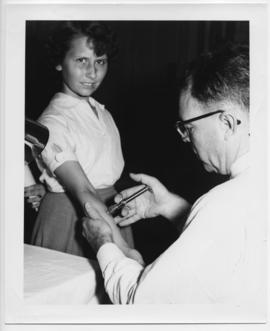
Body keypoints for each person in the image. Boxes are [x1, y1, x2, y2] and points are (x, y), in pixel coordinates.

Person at [81, 44, 265, 305]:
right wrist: (169, 205)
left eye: (188, 128)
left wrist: (104, 244)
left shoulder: (224, 203)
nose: (186, 139)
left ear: (226, 123)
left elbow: (141, 302)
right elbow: (228, 251)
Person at [30, 21, 143, 264]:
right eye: (82, 61)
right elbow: (84, 190)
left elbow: (102, 175)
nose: (92, 72)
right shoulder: (53, 121)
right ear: (60, 62)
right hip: (71, 221)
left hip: (108, 216)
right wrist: (126, 251)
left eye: (100, 61)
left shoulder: (103, 113)